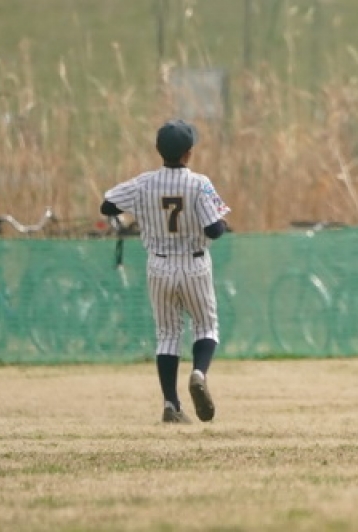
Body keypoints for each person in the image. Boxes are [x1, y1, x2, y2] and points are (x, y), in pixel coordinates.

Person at [100, 119, 231, 424]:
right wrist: (222, 223)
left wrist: (143, 210)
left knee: (168, 334)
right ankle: (198, 373)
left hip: (159, 265)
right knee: (206, 327)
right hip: (194, 263)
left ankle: (171, 404)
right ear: (189, 152)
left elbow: (107, 206)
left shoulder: (143, 183)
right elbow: (214, 229)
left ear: (159, 150)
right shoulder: (199, 183)